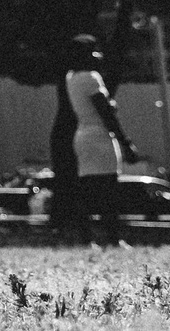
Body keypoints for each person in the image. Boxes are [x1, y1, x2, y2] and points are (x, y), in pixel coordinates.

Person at [63, 35, 136, 239]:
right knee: (109, 189)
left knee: (88, 189)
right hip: (99, 137)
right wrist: (125, 143)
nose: (98, 56)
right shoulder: (91, 77)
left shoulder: (71, 78)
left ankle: (84, 234)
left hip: (82, 136)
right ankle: (113, 236)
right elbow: (106, 114)